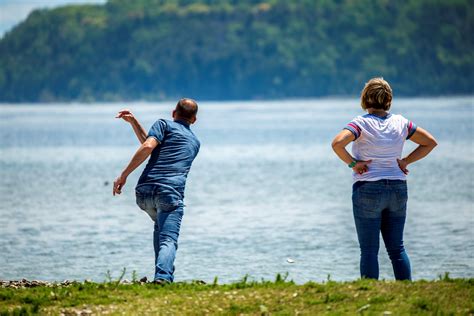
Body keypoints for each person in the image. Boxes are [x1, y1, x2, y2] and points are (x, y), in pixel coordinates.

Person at [331, 78, 437, 280]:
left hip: (368, 189)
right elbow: (430, 142)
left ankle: (370, 293)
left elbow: (337, 144)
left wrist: (354, 164)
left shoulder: (360, 123)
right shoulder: (401, 122)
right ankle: (405, 291)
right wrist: (405, 161)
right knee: (397, 249)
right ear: (388, 99)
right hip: (397, 188)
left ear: (365, 99)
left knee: (369, 250)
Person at [113, 98, 200, 284]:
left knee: (160, 230)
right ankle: (163, 278)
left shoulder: (164, 124)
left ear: (173, 113)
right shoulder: (194, 142)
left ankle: (161, 276)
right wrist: (135, 124)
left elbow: (150, 146)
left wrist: (124, 175)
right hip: (169, 194)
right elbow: (149, 146)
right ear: (194, 120)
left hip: (144, 193)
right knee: (168, 238)